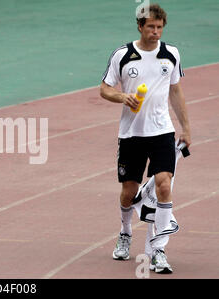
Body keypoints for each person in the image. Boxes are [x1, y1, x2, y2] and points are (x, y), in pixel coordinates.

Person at [99, 3, 191, 274]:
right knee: (129, 192)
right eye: (150, 27)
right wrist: (122, 96)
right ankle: (125, 231)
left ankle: (158, 249)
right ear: (140, 26)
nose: (155, 32)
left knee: (164, 185)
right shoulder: (123, 56)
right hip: (131, 134)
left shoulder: (171, 54)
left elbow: (176, 91)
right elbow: (104, 88)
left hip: (162, 132)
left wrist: (185, 127)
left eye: (159, 27)